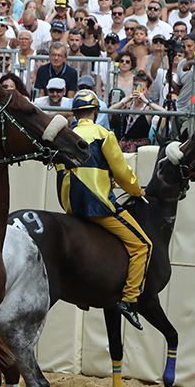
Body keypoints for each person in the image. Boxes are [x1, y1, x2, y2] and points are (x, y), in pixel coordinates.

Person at [55, 89, 151, 329]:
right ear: (96, 112)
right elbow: (121, 172)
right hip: (97, 206)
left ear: (75, 113)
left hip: (69, 205)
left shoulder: (66, 135)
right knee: (143, 245)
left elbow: (64, 170)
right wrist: (136, 190)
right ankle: (129, 300)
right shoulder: (103, 133)